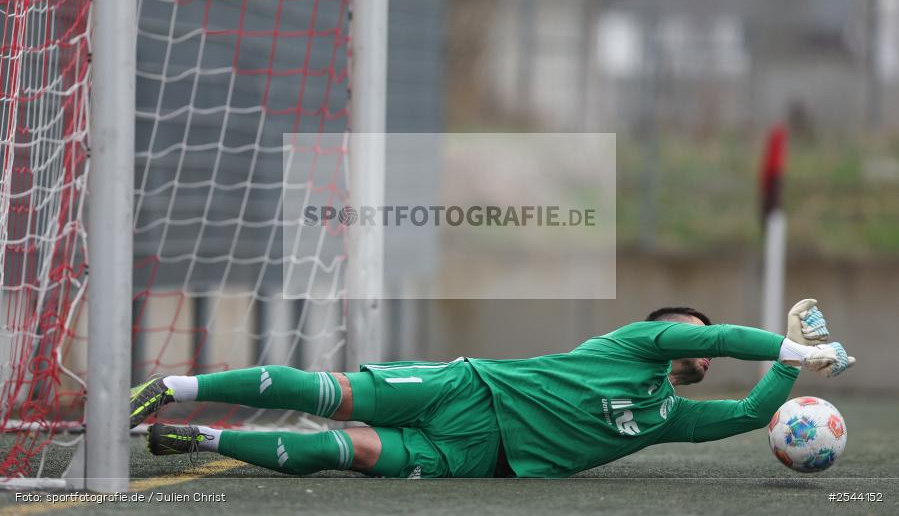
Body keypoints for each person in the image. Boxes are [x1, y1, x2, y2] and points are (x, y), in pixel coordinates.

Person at [130, 299, 854, 478]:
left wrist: (792, 364)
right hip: (466, 391)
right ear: (668, 333)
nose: (699, 345)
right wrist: (793, 344)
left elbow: (753, 413)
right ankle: (171, 384)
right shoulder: (635, 342)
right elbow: (722, 336)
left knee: (343, 450)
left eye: (702, 343)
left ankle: (197, 435)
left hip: (482, 462)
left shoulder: (667, 417)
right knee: (332, 394)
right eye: (689, 334)